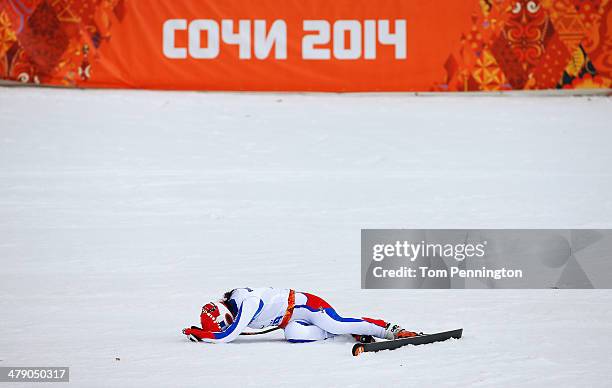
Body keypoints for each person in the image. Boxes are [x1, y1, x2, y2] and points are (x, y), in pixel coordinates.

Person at [181, 287, 418, 343]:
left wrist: (200, 334)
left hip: (309, 306)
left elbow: (228, 336)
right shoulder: (234, 306)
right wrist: (205, 332)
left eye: (227, 321)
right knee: (293, 335)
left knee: (335, 323)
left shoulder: (247, 302)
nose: (230, 324)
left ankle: (390, 330)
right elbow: (226, 332)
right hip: (292, 320)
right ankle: (352, 332)